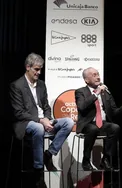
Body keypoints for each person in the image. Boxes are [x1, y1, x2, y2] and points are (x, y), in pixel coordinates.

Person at [9, 52, 74, 188]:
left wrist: (48, 119)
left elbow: (46, 107)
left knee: (69, 122)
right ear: (28, 67)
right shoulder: (17, 85)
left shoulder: (41, 85)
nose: (39, 72)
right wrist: (40, 121)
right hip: (25, 123)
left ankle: (49, 154)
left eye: (40, 69)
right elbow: (19, 113)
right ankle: (38, 171)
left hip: (44, 121)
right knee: (38, 128)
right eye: (36, 69)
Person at [75, 67, 122, 171]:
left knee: (115, 127)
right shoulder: (80, 92)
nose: (98, 77)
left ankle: (106, 159)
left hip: (103, 123)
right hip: (87, 124)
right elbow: (82, 107)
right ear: (86, 80)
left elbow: (114, 112)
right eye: (94, 75)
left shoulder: (106, 92)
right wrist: (96, 93)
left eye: (98, 74)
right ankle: (86, 160)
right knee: (93, 129)